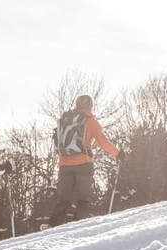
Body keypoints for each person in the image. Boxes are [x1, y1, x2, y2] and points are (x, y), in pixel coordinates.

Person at [48, 94, 123, 226]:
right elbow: (102, 142)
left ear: (77, 105)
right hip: (83, 164)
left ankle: (54, 225)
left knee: (64, 199)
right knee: (82, 199)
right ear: (90, 106)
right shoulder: (90, 121)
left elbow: (57, 140)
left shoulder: (65, 120)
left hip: (64, 164)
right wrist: (117, 153)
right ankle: (78, 226)